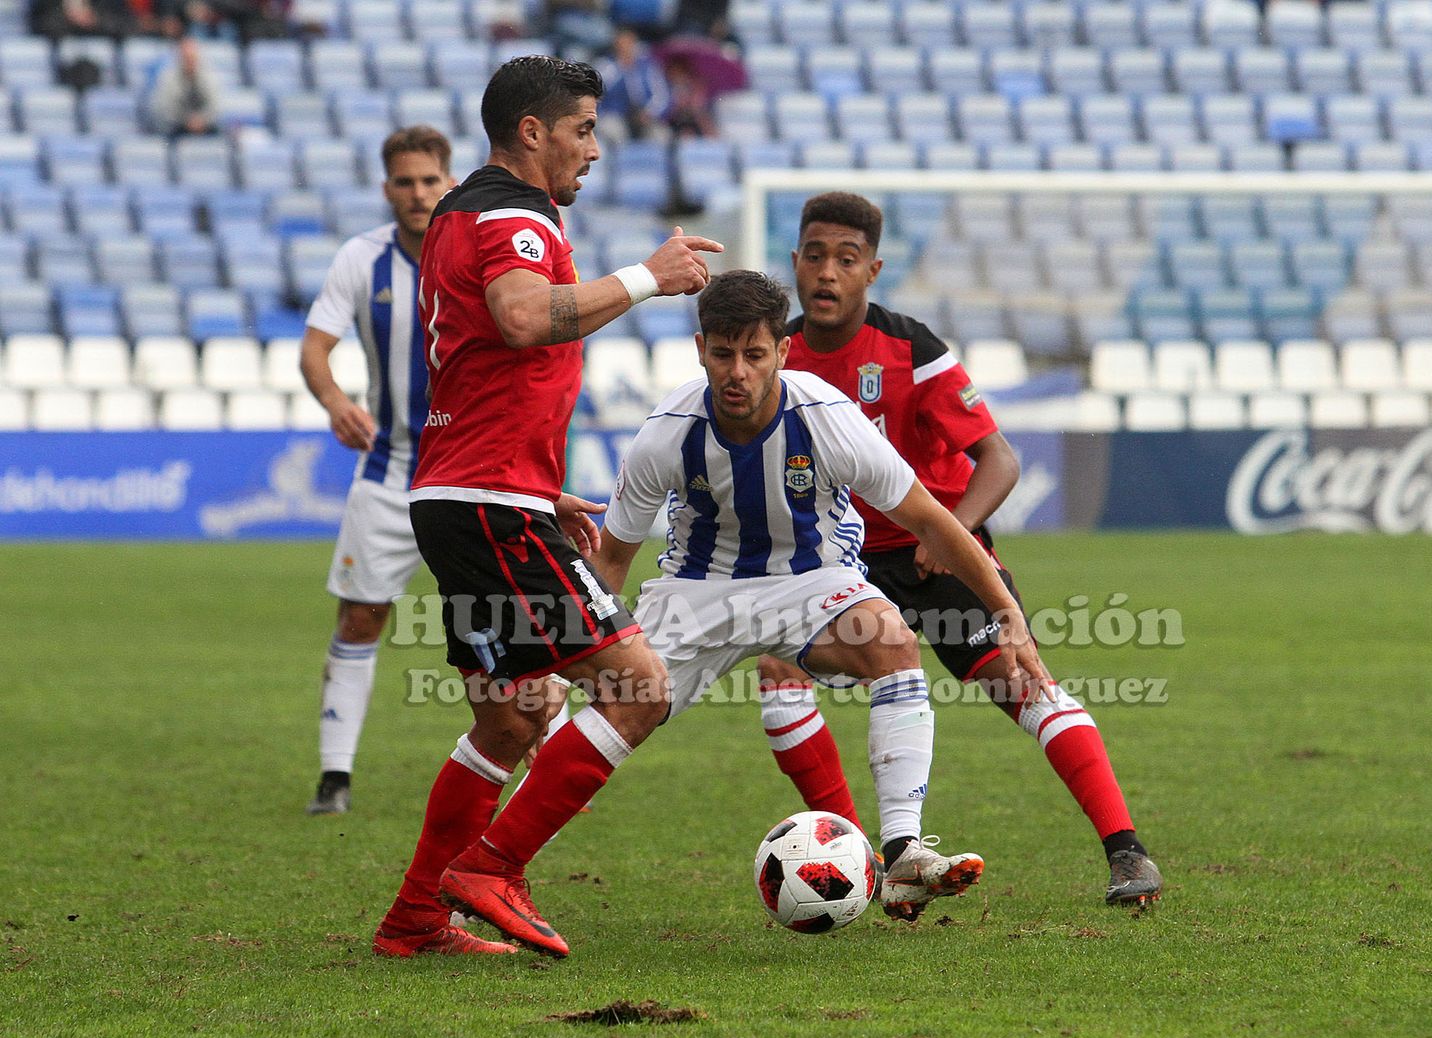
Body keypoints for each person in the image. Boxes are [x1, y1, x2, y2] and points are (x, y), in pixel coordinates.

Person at [372, 55, 722, 958]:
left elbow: (485, 352)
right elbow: (523, 317)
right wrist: (645, 278)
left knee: (511, 717)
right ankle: (491, 869)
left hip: (471, 490)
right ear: (532, 132)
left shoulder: (463, 213)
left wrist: (537, 481)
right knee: (640, 686)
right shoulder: (511, 214)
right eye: (583, 129)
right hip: (488, 500)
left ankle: (414, 921)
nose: (595, 149)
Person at [581, 270, 1052, 923]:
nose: (738, 371)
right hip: (696, 592)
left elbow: (932, 519)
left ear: (783, 350)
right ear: (700, 349)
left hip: (810, 584)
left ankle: (903, 852)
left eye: (754, 354)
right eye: (724, 353)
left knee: (891, 641)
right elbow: (610, 559)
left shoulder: (827, 416)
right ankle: (485, 869)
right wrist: (563, 662)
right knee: (597, 715)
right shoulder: (668, 429)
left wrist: (1008, 615)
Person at [753, 192, 1164, 907]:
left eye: (846, 259)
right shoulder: (776, 359)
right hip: (840, 562)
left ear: (872, 270)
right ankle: (864, 861)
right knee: (777, 671)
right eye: (814, 256)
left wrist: (951, 529)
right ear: (795, 262)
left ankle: (1126, 852)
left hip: (932, 550)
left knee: (1022, 680)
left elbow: (999, 459)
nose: (827, 272)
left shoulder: (911, 349)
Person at [299, 125, 462, 816]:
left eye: (429, 180)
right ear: (386, 188)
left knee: (506, 622)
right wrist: (337, 402)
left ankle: (541, 764)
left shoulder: (478, 250)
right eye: (405, 182)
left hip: (472, 472)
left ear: (449, 182)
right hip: (390, 471)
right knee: (361, 617)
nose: (418, 193)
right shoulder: (360, 259)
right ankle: (334, 777)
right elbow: (315, 348)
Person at [148, 36, 218, 137]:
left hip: (204, 125)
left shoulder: (209, 77)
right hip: (177, 125)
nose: (190, 61)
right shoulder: (167, 78)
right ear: (179, 58)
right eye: (186, 58)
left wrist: (201, 120)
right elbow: (164, 108)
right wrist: (187, 121)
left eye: (192, 58)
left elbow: (215, 106)